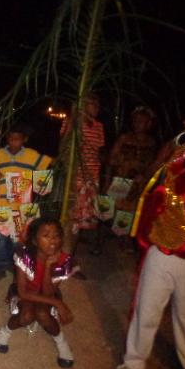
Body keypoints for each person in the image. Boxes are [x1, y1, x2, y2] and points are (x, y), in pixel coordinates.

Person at [110, 138, 185, 369]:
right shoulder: (167, 187)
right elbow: (145, 224)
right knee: (146, 311)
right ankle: (133, 362)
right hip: (161, 256)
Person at [0, 217, 76, 368]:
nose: (53, 241)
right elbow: (23, 293)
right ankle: (5, 331)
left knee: (43, 315)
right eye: (46, 235)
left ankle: (61, 342)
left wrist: (49, 265)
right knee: (26, 316)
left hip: (48, 294)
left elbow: (48, 292)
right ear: (35, 241)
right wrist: (58, 303)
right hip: (27, 293)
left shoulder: (64, 260)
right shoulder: (24, 255)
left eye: (56, 236)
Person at [0, 124, 52, 280]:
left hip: (22, 205)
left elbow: (47, 165)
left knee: (19, 237)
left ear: (24, 139)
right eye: (10, 138)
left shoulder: (31, 155)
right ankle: (1, 267)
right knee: (0, 237)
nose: (13, 141)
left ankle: (17, 265)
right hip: (2, 203)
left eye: (17, 139)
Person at [60, 93, 105, 253]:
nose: (96, 108)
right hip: (76, 175)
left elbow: (98, 151)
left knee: (82, 220)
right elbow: (64, 146)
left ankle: (70, 256)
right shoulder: (73, 123)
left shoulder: (99, 126)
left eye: (98, 105)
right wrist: (73, 121)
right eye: (92, 104)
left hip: (92, 176)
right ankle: (65, 256)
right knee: (71, 217)